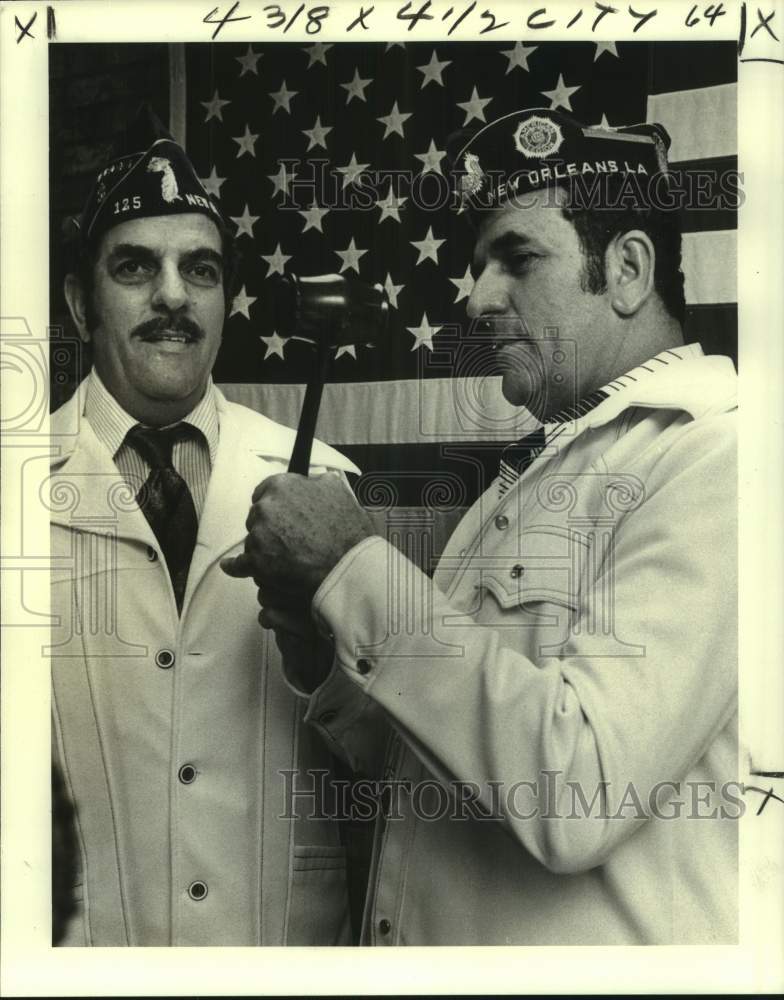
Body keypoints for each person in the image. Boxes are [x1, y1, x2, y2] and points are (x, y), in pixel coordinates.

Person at [222, 108, 739, 945]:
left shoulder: (723, 455)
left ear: (629, 271)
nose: (475, 297)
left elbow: (580, 787)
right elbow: (441, 763)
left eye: (518, 258)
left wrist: (353, 567)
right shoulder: (532, 479)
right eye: (475, 265)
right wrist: (329, 657)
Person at [50, 107, 358, 946]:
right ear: (81, 306)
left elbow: (387, 763)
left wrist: (331, 663)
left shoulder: (323, 483)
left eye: (202, 270)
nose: (174, 296)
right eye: (136, 268)